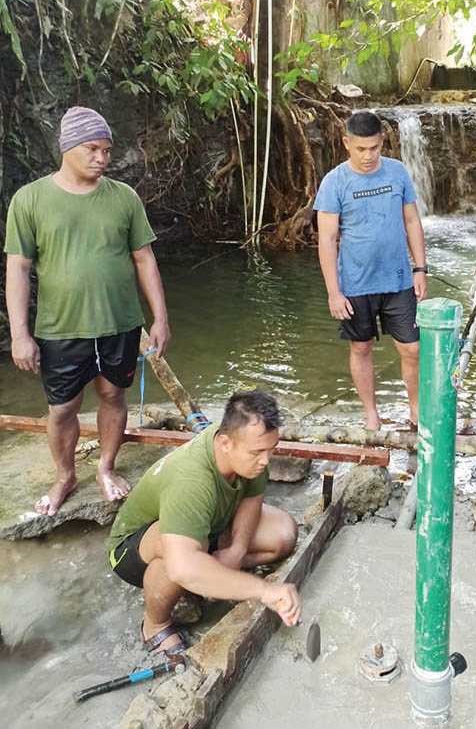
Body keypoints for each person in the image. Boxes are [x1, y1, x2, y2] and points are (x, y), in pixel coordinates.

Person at [4, 106, 170, 516]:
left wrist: (160, 317)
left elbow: (144, 258)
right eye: (92, 149)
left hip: (120, 323)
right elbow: (19, 269)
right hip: (60, 328)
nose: (102, 158)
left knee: (114, 394)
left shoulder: (123, 198)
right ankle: (64, 476)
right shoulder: (30, 200)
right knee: (62, 408)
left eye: (108, 151)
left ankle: (106, 467)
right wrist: (21, 334)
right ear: (67, 148)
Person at [107, 390, 300, 655]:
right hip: (133, 550)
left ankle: (210, 574)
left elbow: (252, 499)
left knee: (282, 534)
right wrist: (264, 591)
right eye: (257, 452)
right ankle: (155, 624)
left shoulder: (246, 448)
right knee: (178, 558)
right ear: (224, 444)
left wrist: (237, 551)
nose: (266, 460)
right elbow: (183, 566)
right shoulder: (191, 480)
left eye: (271, 449)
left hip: (205, 527)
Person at [314, 110, 427, 432]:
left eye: (374, 148)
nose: (368, 156)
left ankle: (416, 410)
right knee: (361, 347)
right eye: (361, 149)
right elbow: (327, 238)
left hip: (398, 279)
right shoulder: (334, 182)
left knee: (412, 348)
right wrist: (334, 292)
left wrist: (420, 269)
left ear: (382, 142)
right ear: (346, 143)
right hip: (355, 283)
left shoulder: (397, 173)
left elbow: (412, 221)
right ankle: (371, 415)